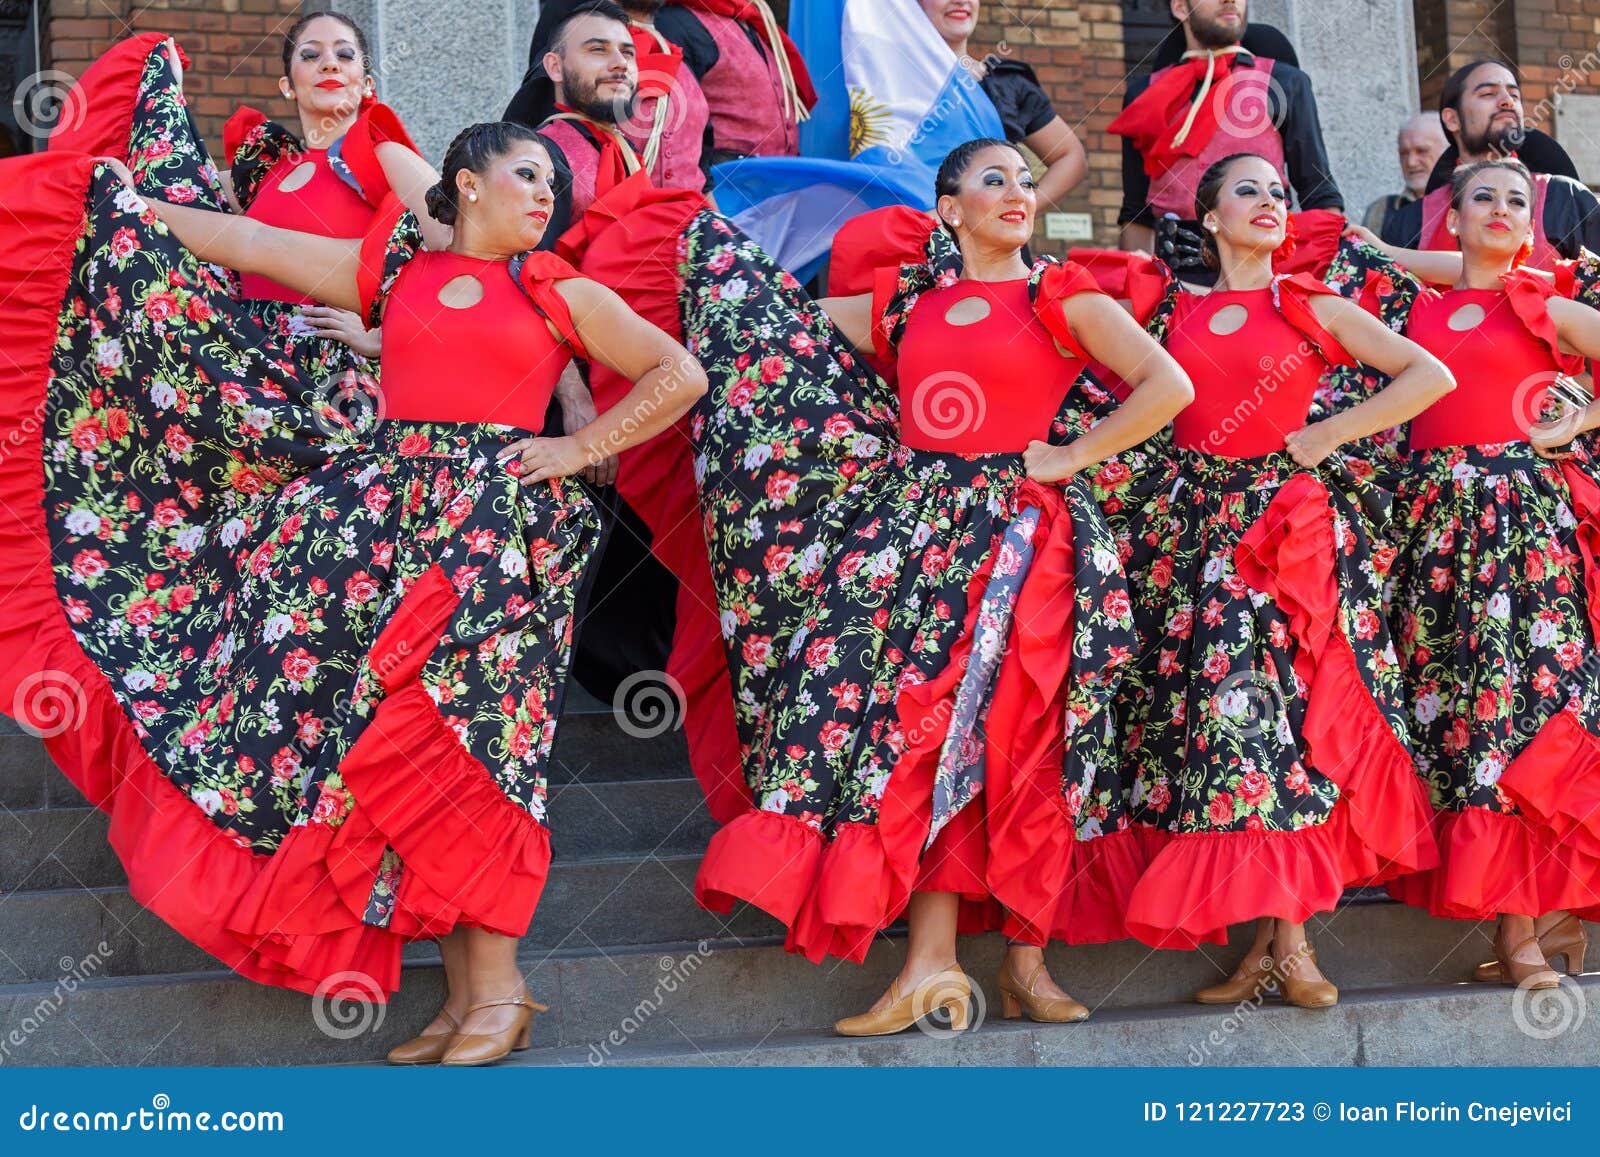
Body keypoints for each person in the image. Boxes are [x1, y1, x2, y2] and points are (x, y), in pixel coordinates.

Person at [0, 118, 705, 1065]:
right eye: (528, 175)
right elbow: (248, 242)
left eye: (553, 185)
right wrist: (114, 202)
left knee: (473, 745)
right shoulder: (395, 276)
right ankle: (469, 999)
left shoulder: (559, 289)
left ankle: (497, 990)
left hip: (494, 545)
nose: (548, 195)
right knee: (406, 747)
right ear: (465, 183)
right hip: (381, 539)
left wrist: (581, 447)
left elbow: (680, 371)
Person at [694, 138, 1195, 1034]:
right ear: (949, 208)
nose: (1017, 192)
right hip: (913, 543)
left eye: (1026, 180)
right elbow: (777, 328)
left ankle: (1022, 962)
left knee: (1023, 737)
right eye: (992, 179)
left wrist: (1073, 454)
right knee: (923, 739)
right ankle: (931, 966)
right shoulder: (905, 301)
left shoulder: (1060, 293)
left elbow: (1169, 384)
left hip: (1022, 538)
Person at [1100, 152, 1450, 1005]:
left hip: (1280, 534)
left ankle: (1292, 949)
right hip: (1187, 537)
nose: (1269, 202)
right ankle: (1267, 945)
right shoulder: (1166, 308)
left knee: (1272, 723)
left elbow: (1427, 375)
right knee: (1220, 734)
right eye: (1246, 191)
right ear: (1210, 218)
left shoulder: (1307, 303)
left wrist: (1330, 435)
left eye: (1279, 192)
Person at [1353, 159, 1600, 986]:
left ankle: (1524, 931)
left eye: (1517, 202)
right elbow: (1369, 266)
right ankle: (1538, 921)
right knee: (1456, 719)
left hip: (1520, 526)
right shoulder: (1409, 309)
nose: (1501, 209)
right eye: (1482, 198)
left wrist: (1581, 417)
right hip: (1427, 536)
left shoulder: (1543, 303)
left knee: (1517, 714)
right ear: (1449, 219)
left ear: (1534, 224)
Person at [1112, 0, 1342, 282]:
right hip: (1174, 288)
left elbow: (1318, 192)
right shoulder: (1143, 96)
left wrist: (1308, 288)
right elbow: (1137, 214)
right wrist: (1139, 296)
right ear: (1181, 8)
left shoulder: (1284, 82)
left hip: (1266, 283)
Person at [527, 0, 813, 163]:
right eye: (600, 49)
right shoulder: (574, 18)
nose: (616, 57)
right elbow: (540, 115)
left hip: (698, 225)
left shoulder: (670, 44)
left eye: (625, 50)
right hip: (611, 232)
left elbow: (696, 154)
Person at [1380, 60, 1600, 269]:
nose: (1507, 101)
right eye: (1488, 93)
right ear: (1452, 119)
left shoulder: (1565, 199)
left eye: (1514, 94)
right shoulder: (1410, 222)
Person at [505, 0, 714, 199]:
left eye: (627, 52)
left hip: (691, 229)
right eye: (598, 49)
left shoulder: (683, 59)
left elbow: (702, 174)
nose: (620, 62)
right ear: (555, 66)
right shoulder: (568, 70)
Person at [916, 0, 1087, 210]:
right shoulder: (886, 85)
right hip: (909, 235)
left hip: (994, 241)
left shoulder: (1007, 83)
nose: (961, 1)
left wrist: (1018, 209)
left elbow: (1070, 156)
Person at [1362, 113, 1448, 237]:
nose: (1411, 162)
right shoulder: (1380, 210)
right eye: (1404, 153)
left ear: (1447, 151)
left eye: (1422, 151)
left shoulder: (1466, 203)